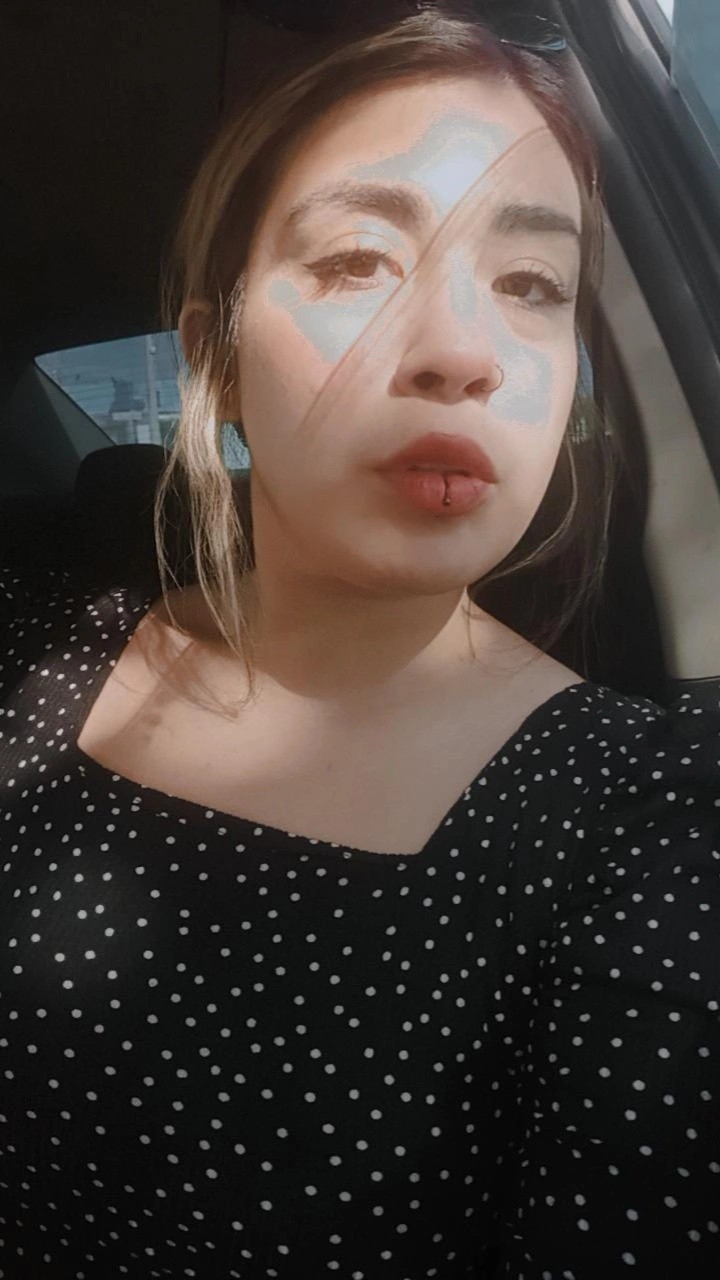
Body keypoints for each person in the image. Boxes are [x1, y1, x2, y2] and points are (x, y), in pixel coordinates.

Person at [1, 4, 718, 1277]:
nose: (461, 354)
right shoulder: (38, 654)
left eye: (533, 285)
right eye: (356, 261)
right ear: (214, 362)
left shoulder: (649, 822)